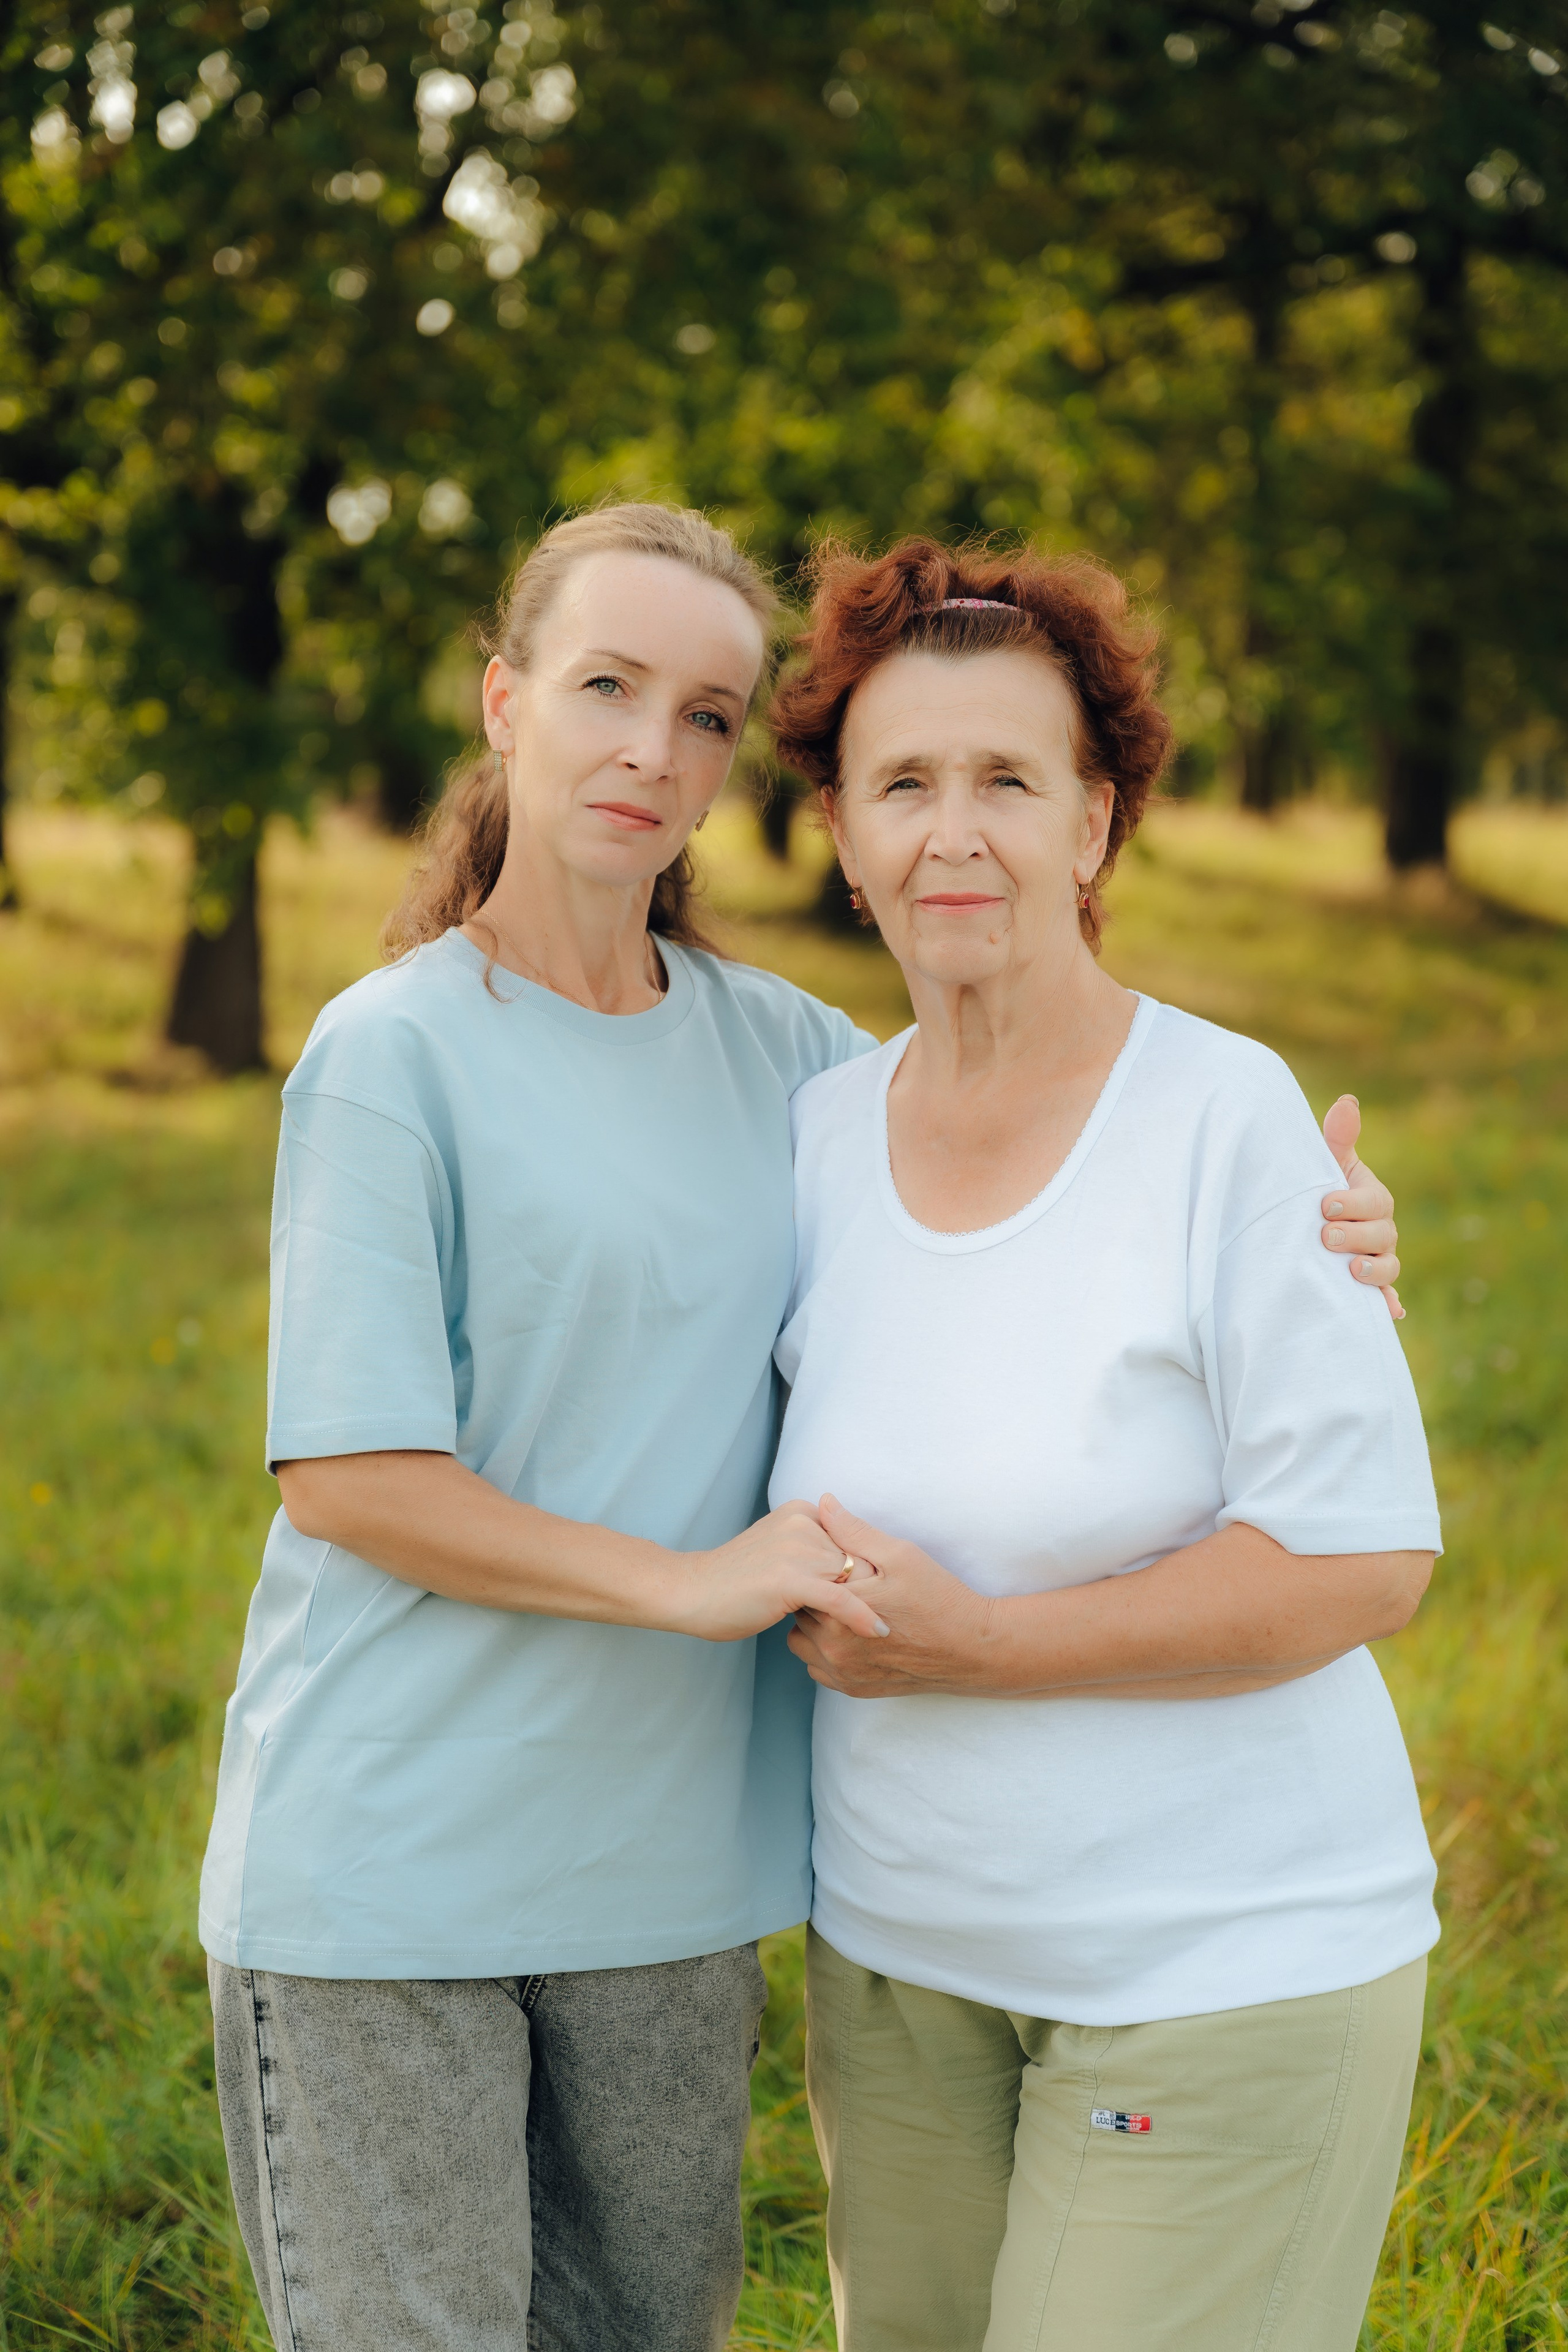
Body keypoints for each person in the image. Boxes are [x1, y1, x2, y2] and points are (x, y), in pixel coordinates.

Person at [198, 502, 1403, 2352]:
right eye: (606, 686)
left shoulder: (798, 1068)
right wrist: (694, 1587)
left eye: (705, 713)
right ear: (503, 699)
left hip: (696, 1886)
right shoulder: (446, 1057)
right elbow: (351, 1472)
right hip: (441, 1867)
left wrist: (1330, 1244)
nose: (650, 749)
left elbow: (1052, 1173)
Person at [766, 539, 1440, 2352]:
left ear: (1098, 824)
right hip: (898, 1975)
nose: (952, 833)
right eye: (904, 783)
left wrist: (974, 1649)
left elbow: (1362, 1556)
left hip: (1217, 1971)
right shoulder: (812, 1136)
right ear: (841, 831)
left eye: (1010, 779)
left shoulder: (1226, 1119)